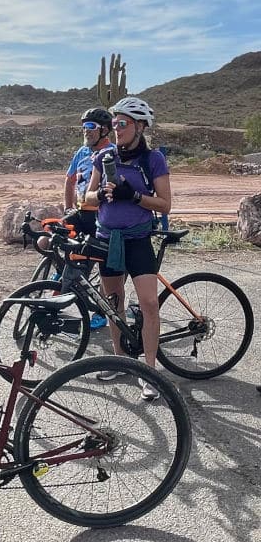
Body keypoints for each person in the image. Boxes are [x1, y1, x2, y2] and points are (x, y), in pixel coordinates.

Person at [83, 95, 171, 401]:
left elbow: (164, 203)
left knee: (149, 304)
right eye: (115, 123)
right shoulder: (104, 158)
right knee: (113, 303)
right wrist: (103, 196)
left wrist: (132, 196)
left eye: (124, 123)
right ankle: (120, 361)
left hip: (137, 240)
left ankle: (149, 371)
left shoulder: (153, 159)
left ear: (140, 127)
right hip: (108, 240)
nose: (117, 128)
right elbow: (87, 198)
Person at [44, 107, 116, 329]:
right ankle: (60, 275)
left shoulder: (113, 153)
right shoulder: (81, 152)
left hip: (101, 216)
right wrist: (67, 208)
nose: (86, 131)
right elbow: (69, 180)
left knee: (100, 262)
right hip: (80, 211)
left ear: (104, 130)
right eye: (84, 127)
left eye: (91, 127)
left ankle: (103, 312)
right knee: (46, 238)